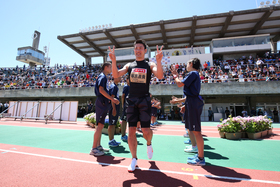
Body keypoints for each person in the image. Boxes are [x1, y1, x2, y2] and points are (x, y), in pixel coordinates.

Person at [109, 39, 164, 172]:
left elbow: (160, 76)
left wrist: (159, 61)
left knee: (145, 131)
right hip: (131, 101)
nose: (138, 50)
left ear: (145, 50)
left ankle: (149, 143)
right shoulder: (129, 65)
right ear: (134, 50)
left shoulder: (149, 65)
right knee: (131, 131)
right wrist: (114, 61)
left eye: (140, 48)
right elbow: (116, 75)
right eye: (136, 48)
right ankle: (134, 159)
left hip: (144, 100)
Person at [171, 58, 205, 166]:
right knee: (194, 130)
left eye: (187, 64)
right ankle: (199, 155)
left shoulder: (193, 73)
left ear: (191, 64)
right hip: (191, 102)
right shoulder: (194, 74)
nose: (186, 66)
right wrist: (185, 105)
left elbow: (180, 84)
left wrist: (175, 75)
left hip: (193, 103)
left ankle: (200, 158)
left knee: (196, 131)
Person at [89, 62, 120, 157]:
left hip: (103, 102)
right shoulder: (102, 77)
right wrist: (112, 99)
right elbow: (101, 90)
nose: (111, 69)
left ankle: (98, 146)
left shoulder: (104, 77)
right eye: (110, 67)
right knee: (100, 126)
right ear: (106, 67)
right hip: (102, 102)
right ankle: (94, 148)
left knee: (101, 126)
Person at [108, 77, 122, 147]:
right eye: (119, 77)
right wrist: (114, 109)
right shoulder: (113, 87)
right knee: (111, 124)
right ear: (115, 78)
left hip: (115, 107)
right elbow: (112, 98)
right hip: (113, 108)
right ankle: (110, 141)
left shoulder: (115, 86)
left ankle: (112, 139)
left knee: (113, 124)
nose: (120, 78)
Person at [120, 76, 130, 141]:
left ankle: (125, 134)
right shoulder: (126, 87)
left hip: (130, 106)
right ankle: (123, 135)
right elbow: (123, 96)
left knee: (127, 120)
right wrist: (123, 105)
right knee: (124, 120)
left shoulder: (132, 87)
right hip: (126, 106)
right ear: (126, 79)